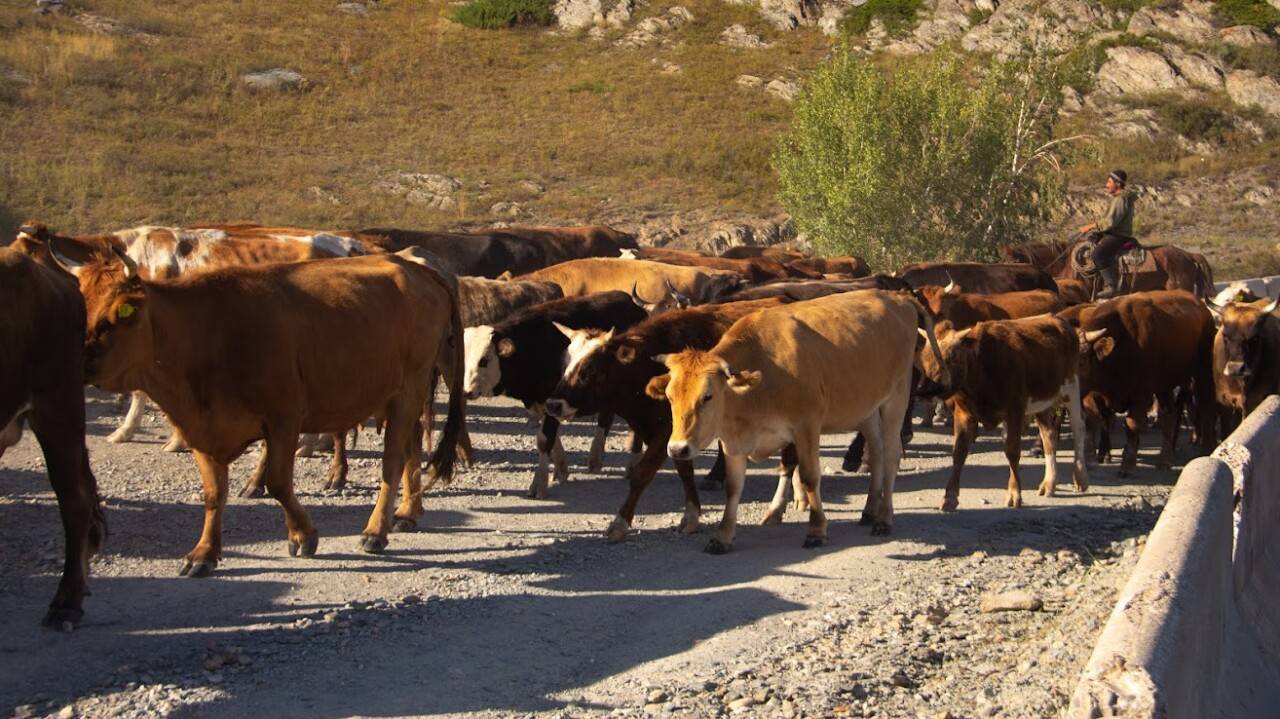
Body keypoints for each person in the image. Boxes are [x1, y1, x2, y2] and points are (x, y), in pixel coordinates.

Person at [1078, 169, 1137, 298]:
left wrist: (1091, 226)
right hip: (1114, 233)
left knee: (1097, 255)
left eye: (1109, 182)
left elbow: (1111, 222)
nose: (1107, 185)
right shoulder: (1119, 198)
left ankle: (1111, 286)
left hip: (1119, 235)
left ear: (1117, 183)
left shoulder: (1120, 200)